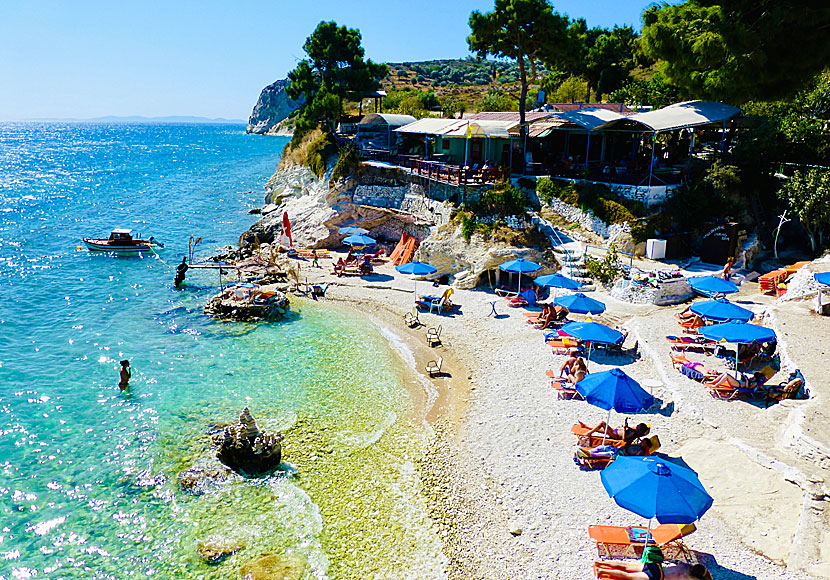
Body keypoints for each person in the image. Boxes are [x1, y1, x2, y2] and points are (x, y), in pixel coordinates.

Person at [594, 559, 712, 580]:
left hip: (656, 566)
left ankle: (601, 563)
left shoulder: (685, 566)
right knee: (628, 576)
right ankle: (602, 571)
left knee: (625, 566)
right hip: (657, 577)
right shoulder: (690, 579)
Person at [580, 419, 650, 444]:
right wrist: (626, 426)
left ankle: (588, 433)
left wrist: (625, 429)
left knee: (602, 423)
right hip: (616, 431)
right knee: (602, 429)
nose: (637, 426)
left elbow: (624, 439)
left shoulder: (634, 434)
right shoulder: (634, 430)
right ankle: (586, 427)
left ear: (639, 429)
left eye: (638, 426)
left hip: (615, 435)